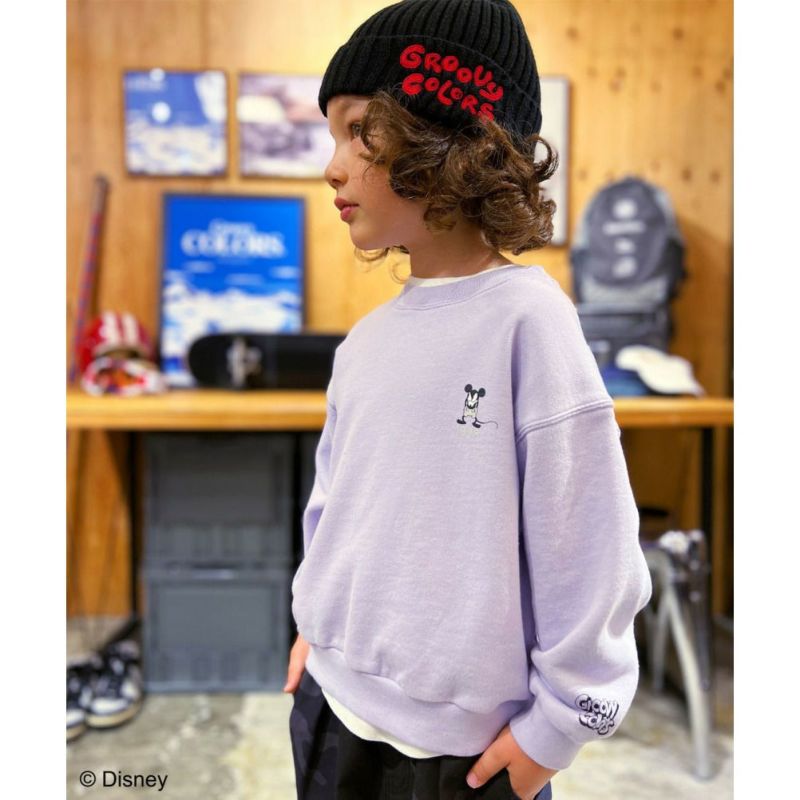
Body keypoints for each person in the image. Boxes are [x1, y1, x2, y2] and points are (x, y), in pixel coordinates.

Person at [285, 1, 653, 798]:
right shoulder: (366, 342)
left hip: (463, 756)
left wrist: (560, 726)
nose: (332, 167)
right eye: (331, 135)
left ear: (446, 139)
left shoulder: (529, 321)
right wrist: (317, 630)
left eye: (358, 130)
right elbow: (334, 510)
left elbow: (588, 544)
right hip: (329, 707)